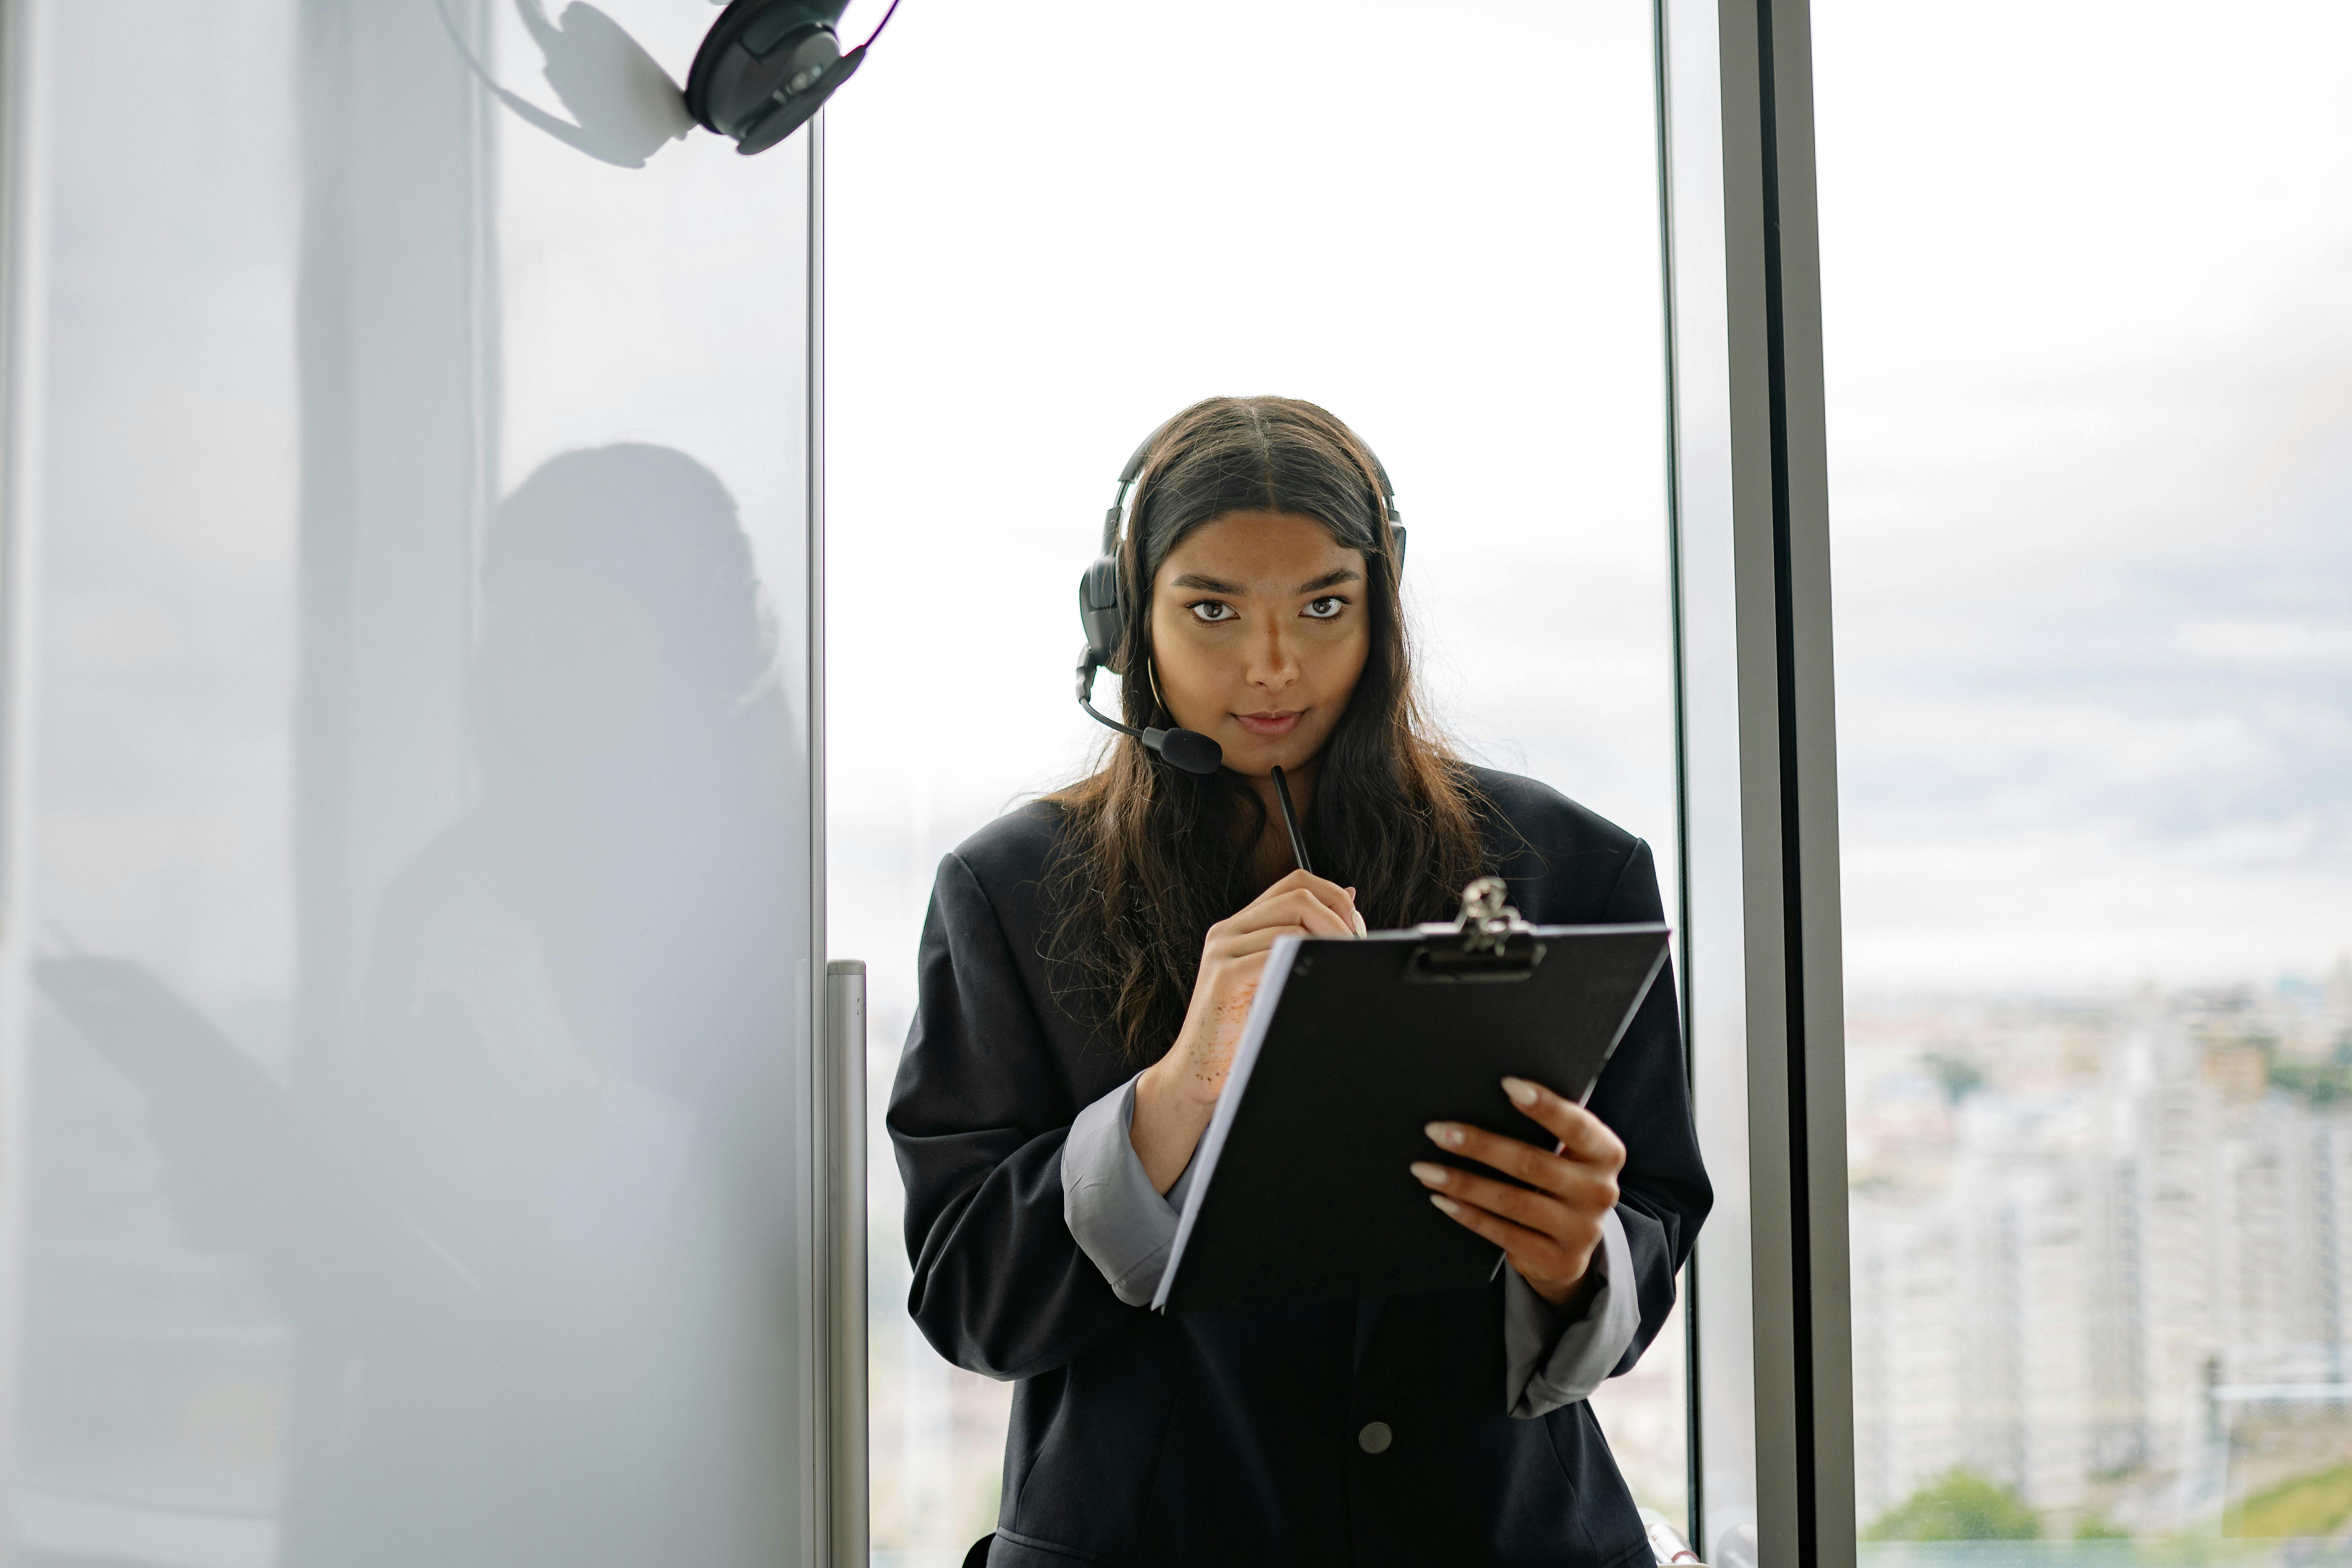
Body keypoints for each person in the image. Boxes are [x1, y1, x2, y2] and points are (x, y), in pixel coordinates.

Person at [889, 396, 1712, 1566]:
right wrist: (1178, 1089)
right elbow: (972, 1300)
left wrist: (1580, 1256)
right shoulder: (1011, 889)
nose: (1272, 667)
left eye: (1325, 606)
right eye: (1212, 609)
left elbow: (1655, 1226)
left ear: (1382, 610)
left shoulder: (1572, 865)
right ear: (1126, 620)